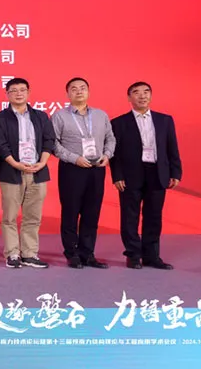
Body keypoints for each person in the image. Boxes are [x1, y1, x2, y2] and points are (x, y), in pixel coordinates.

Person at [110, 82, 182, 270]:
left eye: (146, 92)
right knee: (130, 216)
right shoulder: (118, 123)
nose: (142, 96)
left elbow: (172, 147)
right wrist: (117, 175)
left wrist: (175, 172)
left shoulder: (164, 120)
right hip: (130, 175)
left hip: (157, 173)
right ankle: (133, 255)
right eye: (136, 92)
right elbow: (115, 153)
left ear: (151, 95)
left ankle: (152, 256)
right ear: (129, 98)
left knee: (154, 216)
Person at [52, 77, 116, 269]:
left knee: (91, 213)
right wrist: (74, 158)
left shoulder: (100, 115)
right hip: (72, 169)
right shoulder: (59, 116)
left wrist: (107, 155)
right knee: (70, 212)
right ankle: (72, 253)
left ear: (88, 91)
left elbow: (110, 138)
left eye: (82, 88)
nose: (79, 91)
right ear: (67, 93)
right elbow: (54, 144)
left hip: (97, 169)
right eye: (74, 89)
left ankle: (88, 254)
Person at [0, 78, 55, 269]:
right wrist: (16, 164)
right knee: (10, 216)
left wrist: (42, 162)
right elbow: (1, 145)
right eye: (14, 90)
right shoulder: (0, 118)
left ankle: (29, 253)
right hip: (11, 172)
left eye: (22, 90)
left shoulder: (40, 116)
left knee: (33, 216)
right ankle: (12, 253)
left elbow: (49, 140)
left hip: (37, 171)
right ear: (7, 94)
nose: (19, 93)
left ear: (28, 92)